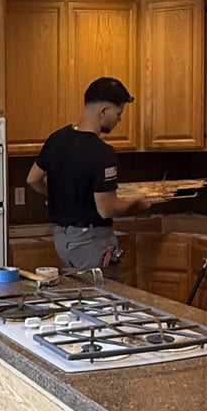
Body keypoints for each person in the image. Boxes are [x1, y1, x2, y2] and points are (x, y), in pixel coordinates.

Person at [26, 77, 154, 274]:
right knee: (102, 299)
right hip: (92, 243)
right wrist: (137, 199)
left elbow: (32, 179)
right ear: (103, 111)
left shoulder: (57, 138)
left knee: (78, 297)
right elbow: (106, 209)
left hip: (62, 239)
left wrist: (62, 195)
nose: (119, 119)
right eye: (118, 113)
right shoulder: (102, 152)